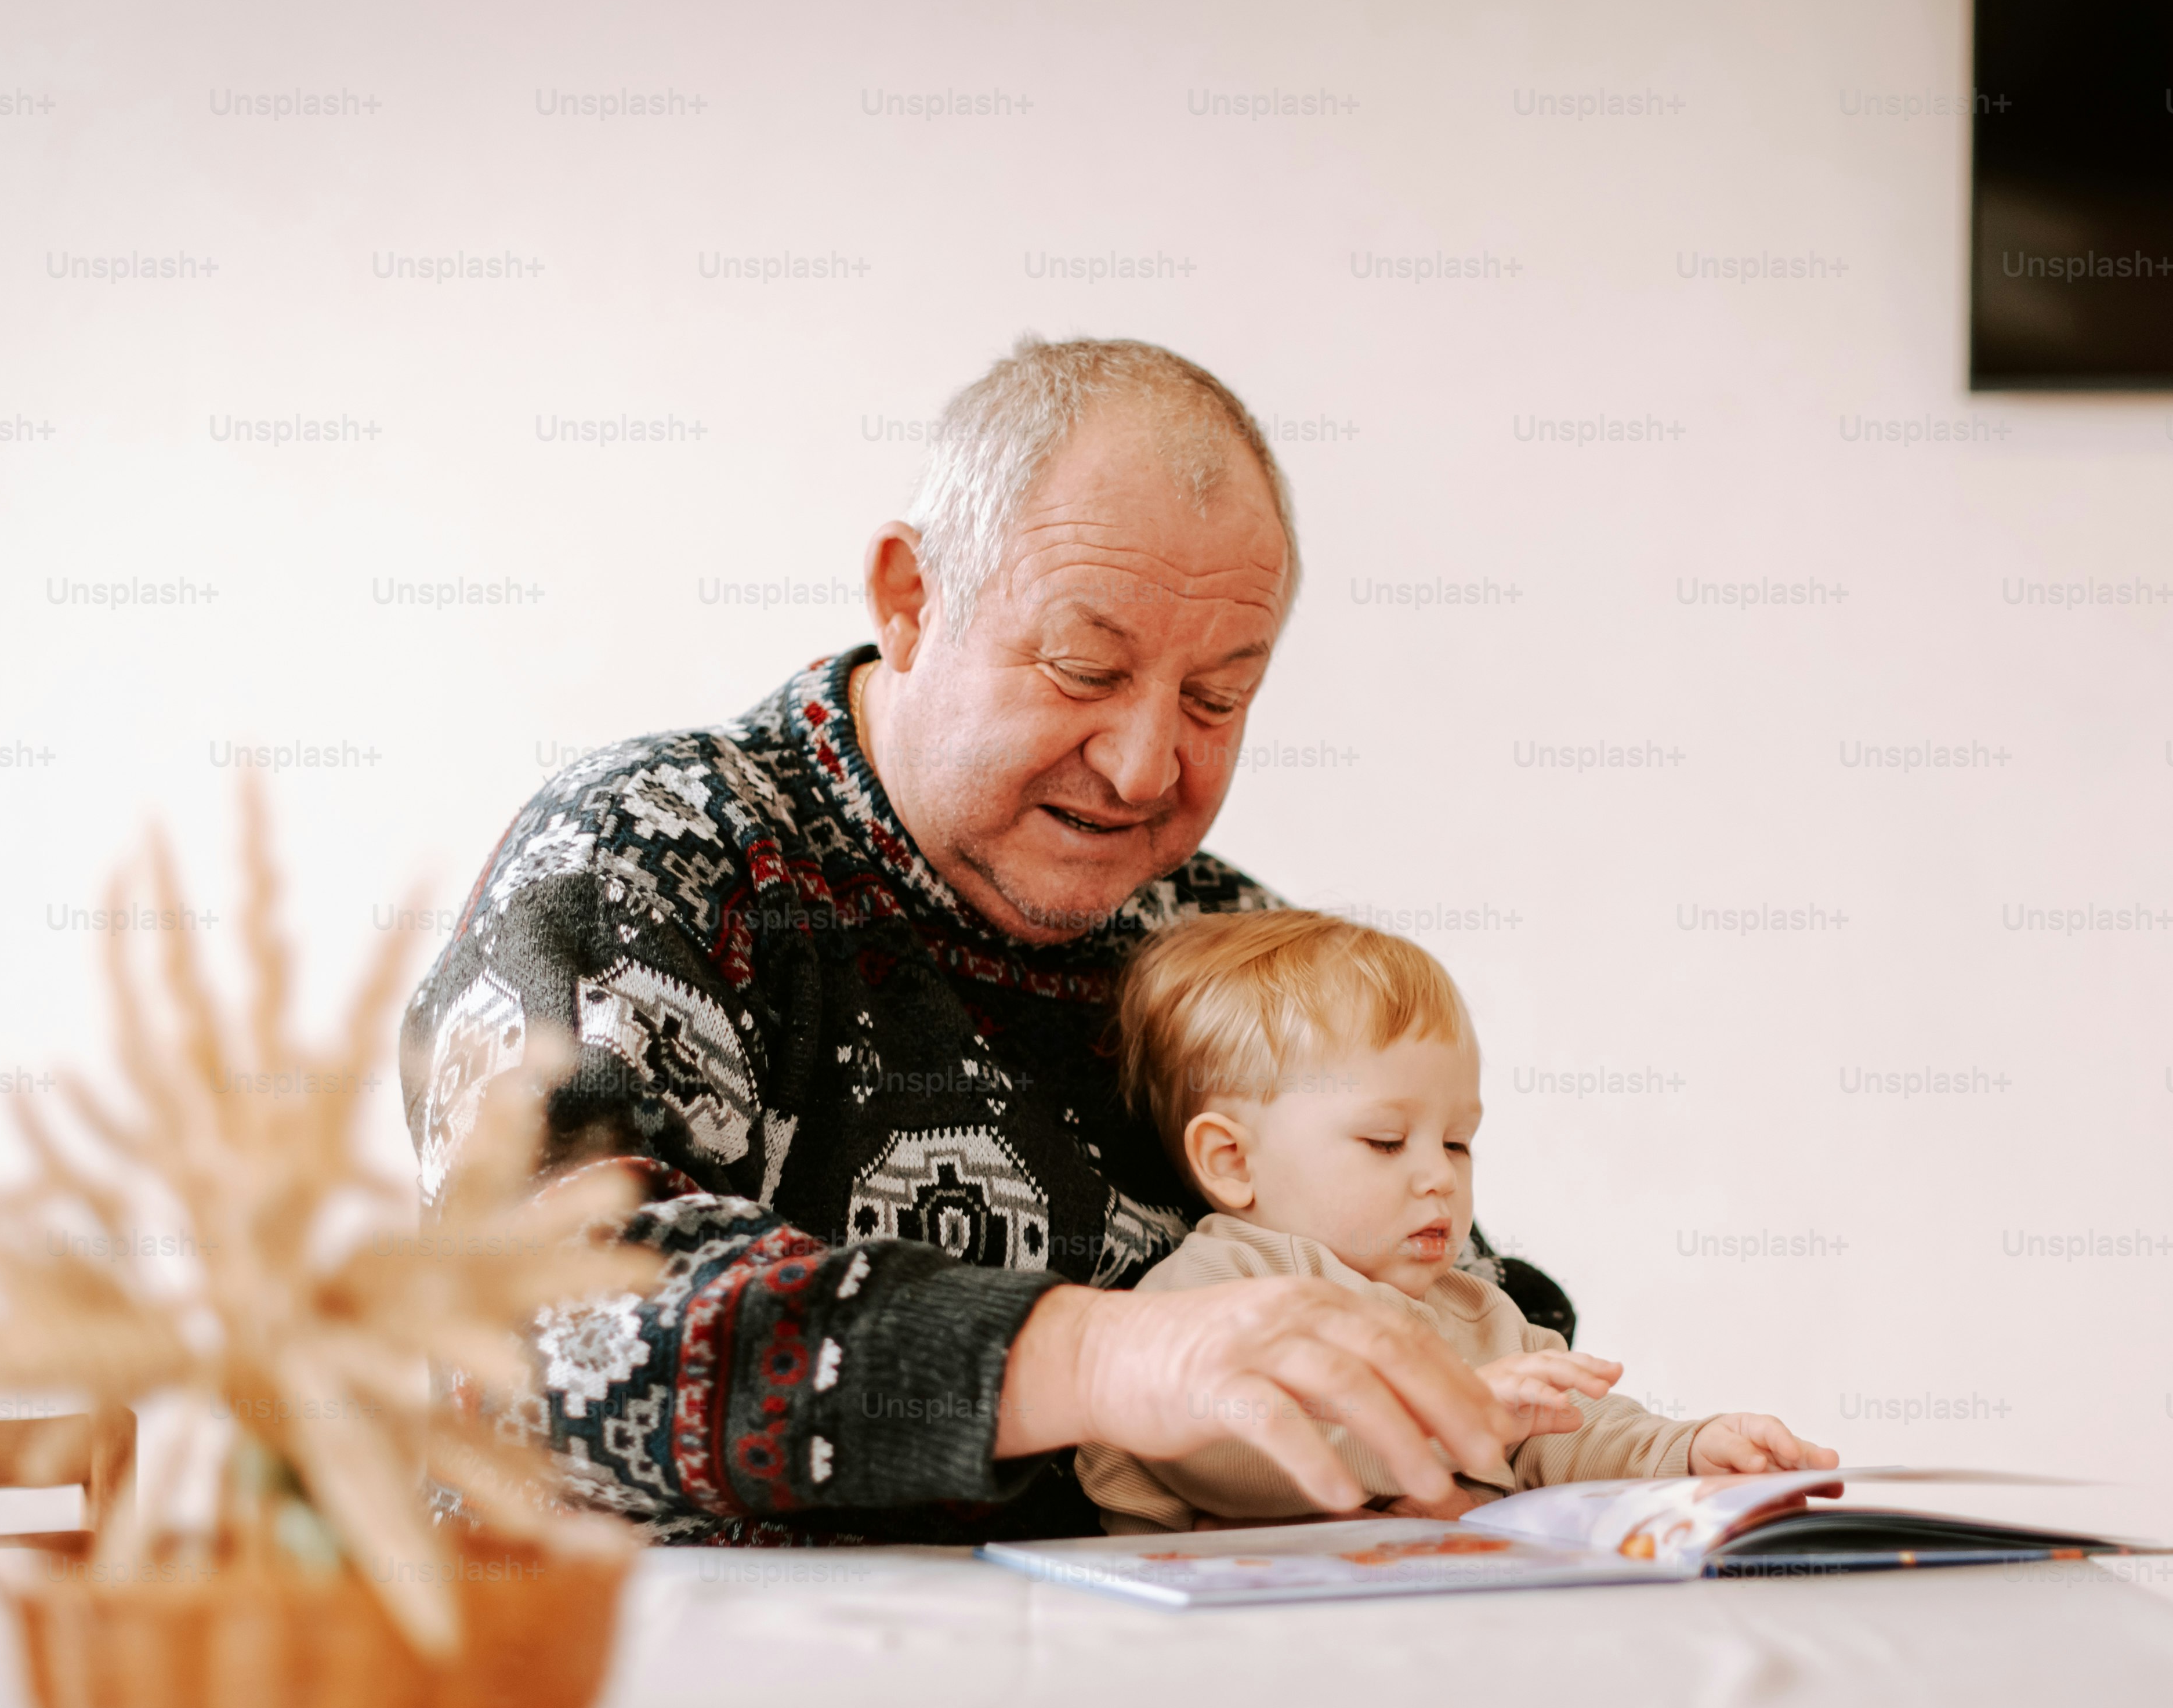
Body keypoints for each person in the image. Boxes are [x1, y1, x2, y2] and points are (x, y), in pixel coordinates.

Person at [399, 336, 1530, 1542]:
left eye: (1216, 698)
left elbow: (1460, 1292)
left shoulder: (1226, 943)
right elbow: (529, 1329)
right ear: (911, 601)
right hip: (660, 1693)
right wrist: (1096, 1355)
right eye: (1084, 666)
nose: (1145, 764)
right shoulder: (651, 847)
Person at [1077, 910, 1834, 1533]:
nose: (1439, 1175)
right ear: (1234, 1163)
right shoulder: (1220, 1285)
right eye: (1384, 1141)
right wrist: (1452, 1424)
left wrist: (1691, 1450)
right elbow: (1226, 1448)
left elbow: (1574, 1430)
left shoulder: (1474, 1312)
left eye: (1457, 1142)